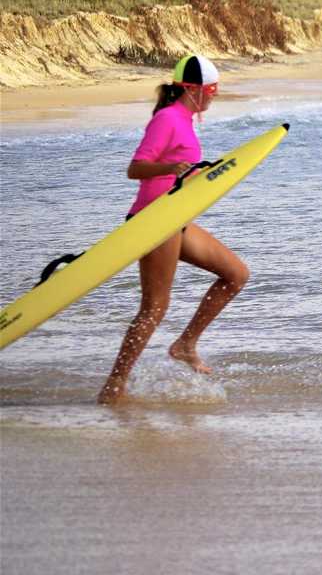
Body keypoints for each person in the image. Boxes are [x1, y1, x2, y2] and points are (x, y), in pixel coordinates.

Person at [98, 55, 251, 404]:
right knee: (154, 307)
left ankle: (185, 344)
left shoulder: (187, 120)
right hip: (154, 219)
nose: (214, 96)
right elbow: (136, 168)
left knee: (236, 274)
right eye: (212, 89)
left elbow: (183, 176)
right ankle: (114, 385)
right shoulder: (167, 119)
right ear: (194, 89)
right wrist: (171, 166)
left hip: (174, 218)